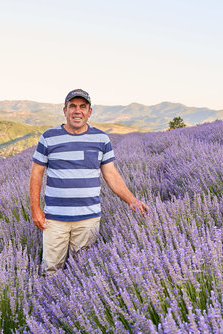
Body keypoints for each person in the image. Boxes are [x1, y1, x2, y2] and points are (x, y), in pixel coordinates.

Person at [29, 88, 149, 275]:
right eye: (73, 106)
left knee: (83, 271)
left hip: (88, 219)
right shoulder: (49, 137)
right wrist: (35, 209)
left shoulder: (101, 139)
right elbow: (37, 173)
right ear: (65, 110)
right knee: (50, 270)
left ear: (89, 111)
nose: (77, 111)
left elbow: (111, 174)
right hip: (55, 219)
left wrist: (132, 200)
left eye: (83, 107)